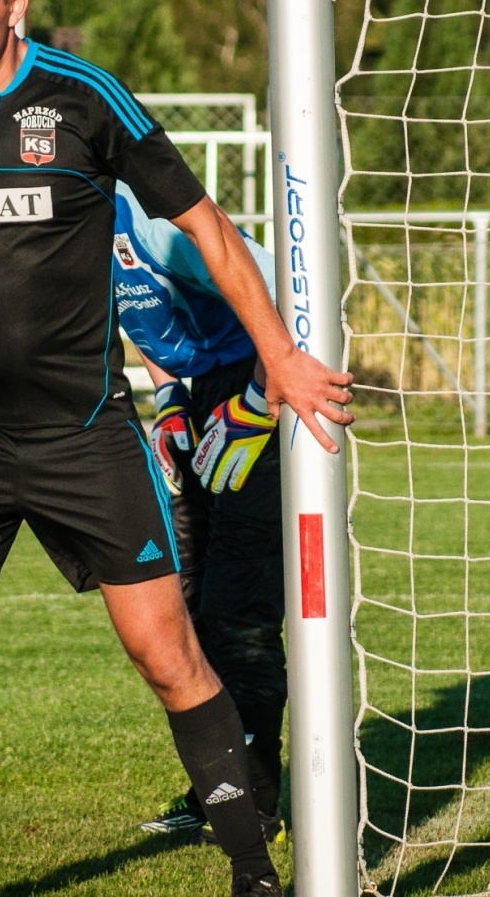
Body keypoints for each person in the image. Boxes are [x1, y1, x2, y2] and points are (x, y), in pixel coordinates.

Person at [0, 0, 354, 897]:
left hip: (82, 435)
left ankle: (255, 873)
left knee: (167, 654)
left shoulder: (83, 98)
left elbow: (202, 223)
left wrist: (280, 356)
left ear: (15, 5)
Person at [112, 187, 288, 845]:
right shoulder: (68, 229)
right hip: (203, 399)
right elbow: (137, 318)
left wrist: (257, 401)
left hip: (264, 385)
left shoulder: (154, 223)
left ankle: (256, 802)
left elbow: (292, 295)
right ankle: (219, 788)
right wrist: (168, 398)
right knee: (190, 608)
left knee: (239, 607)